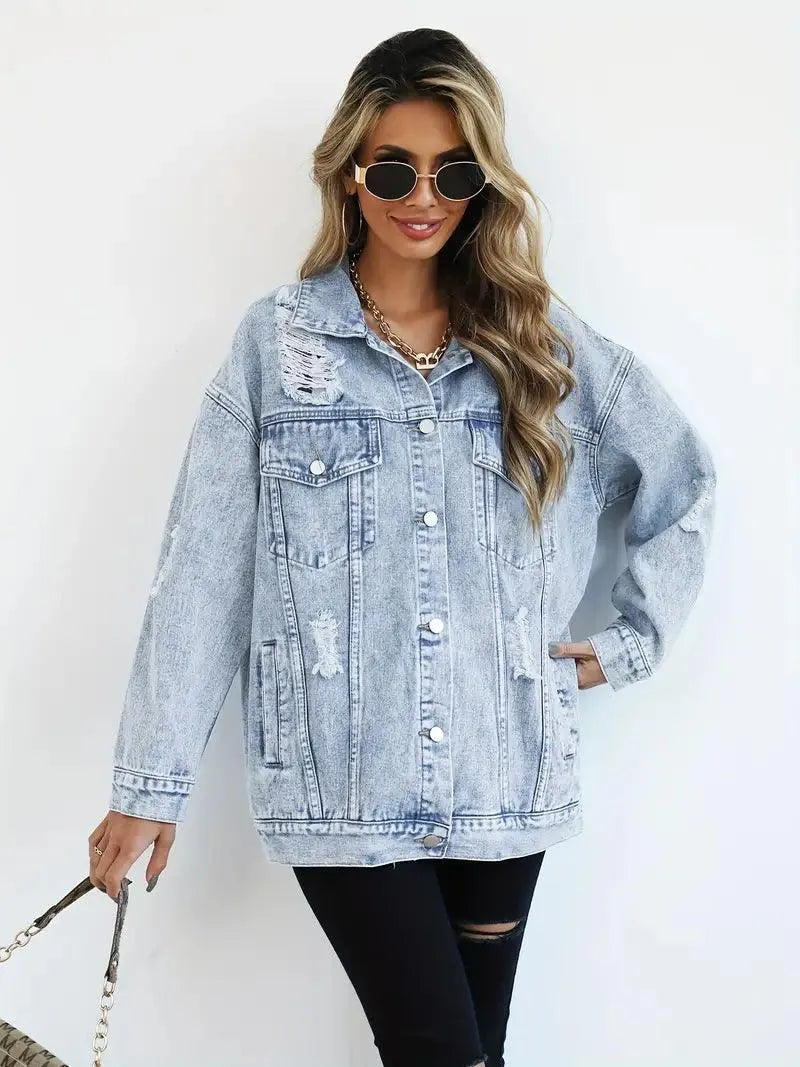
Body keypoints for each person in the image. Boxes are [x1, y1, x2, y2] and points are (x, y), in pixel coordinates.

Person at [87, 27, 716, 1067]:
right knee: (437, 1048)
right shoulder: (279, 344)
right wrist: (148, 786)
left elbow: (683, 481)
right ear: (349, 173)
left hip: (506, 768)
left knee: (473, 1052)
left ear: (482, 183)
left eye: (452, 172)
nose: (421, 196)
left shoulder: (544, 346)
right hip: (341, 780)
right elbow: (202, 568)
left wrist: (627, 644)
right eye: (393, 169)